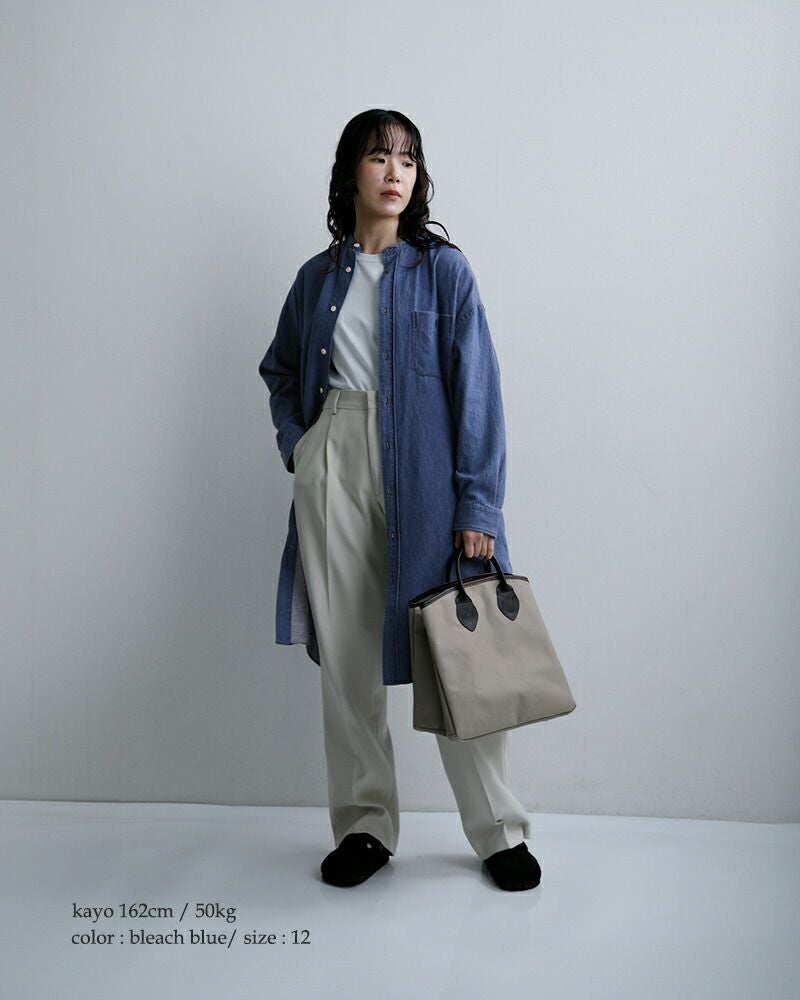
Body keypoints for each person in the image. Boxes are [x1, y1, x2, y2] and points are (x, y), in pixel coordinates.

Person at [259, 109, 540, 891]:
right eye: (379, 156)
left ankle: (498, 830)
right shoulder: (317, 279)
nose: (395, 172)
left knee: (459, 652)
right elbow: (280, 370)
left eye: (408, 159)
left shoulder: (443, 270)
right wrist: (302, 446)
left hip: (427, 470)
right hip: (335, 460)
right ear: (350, 172)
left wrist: (478, 505)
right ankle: (365, 828)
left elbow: (478, 390)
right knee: (348, 660)